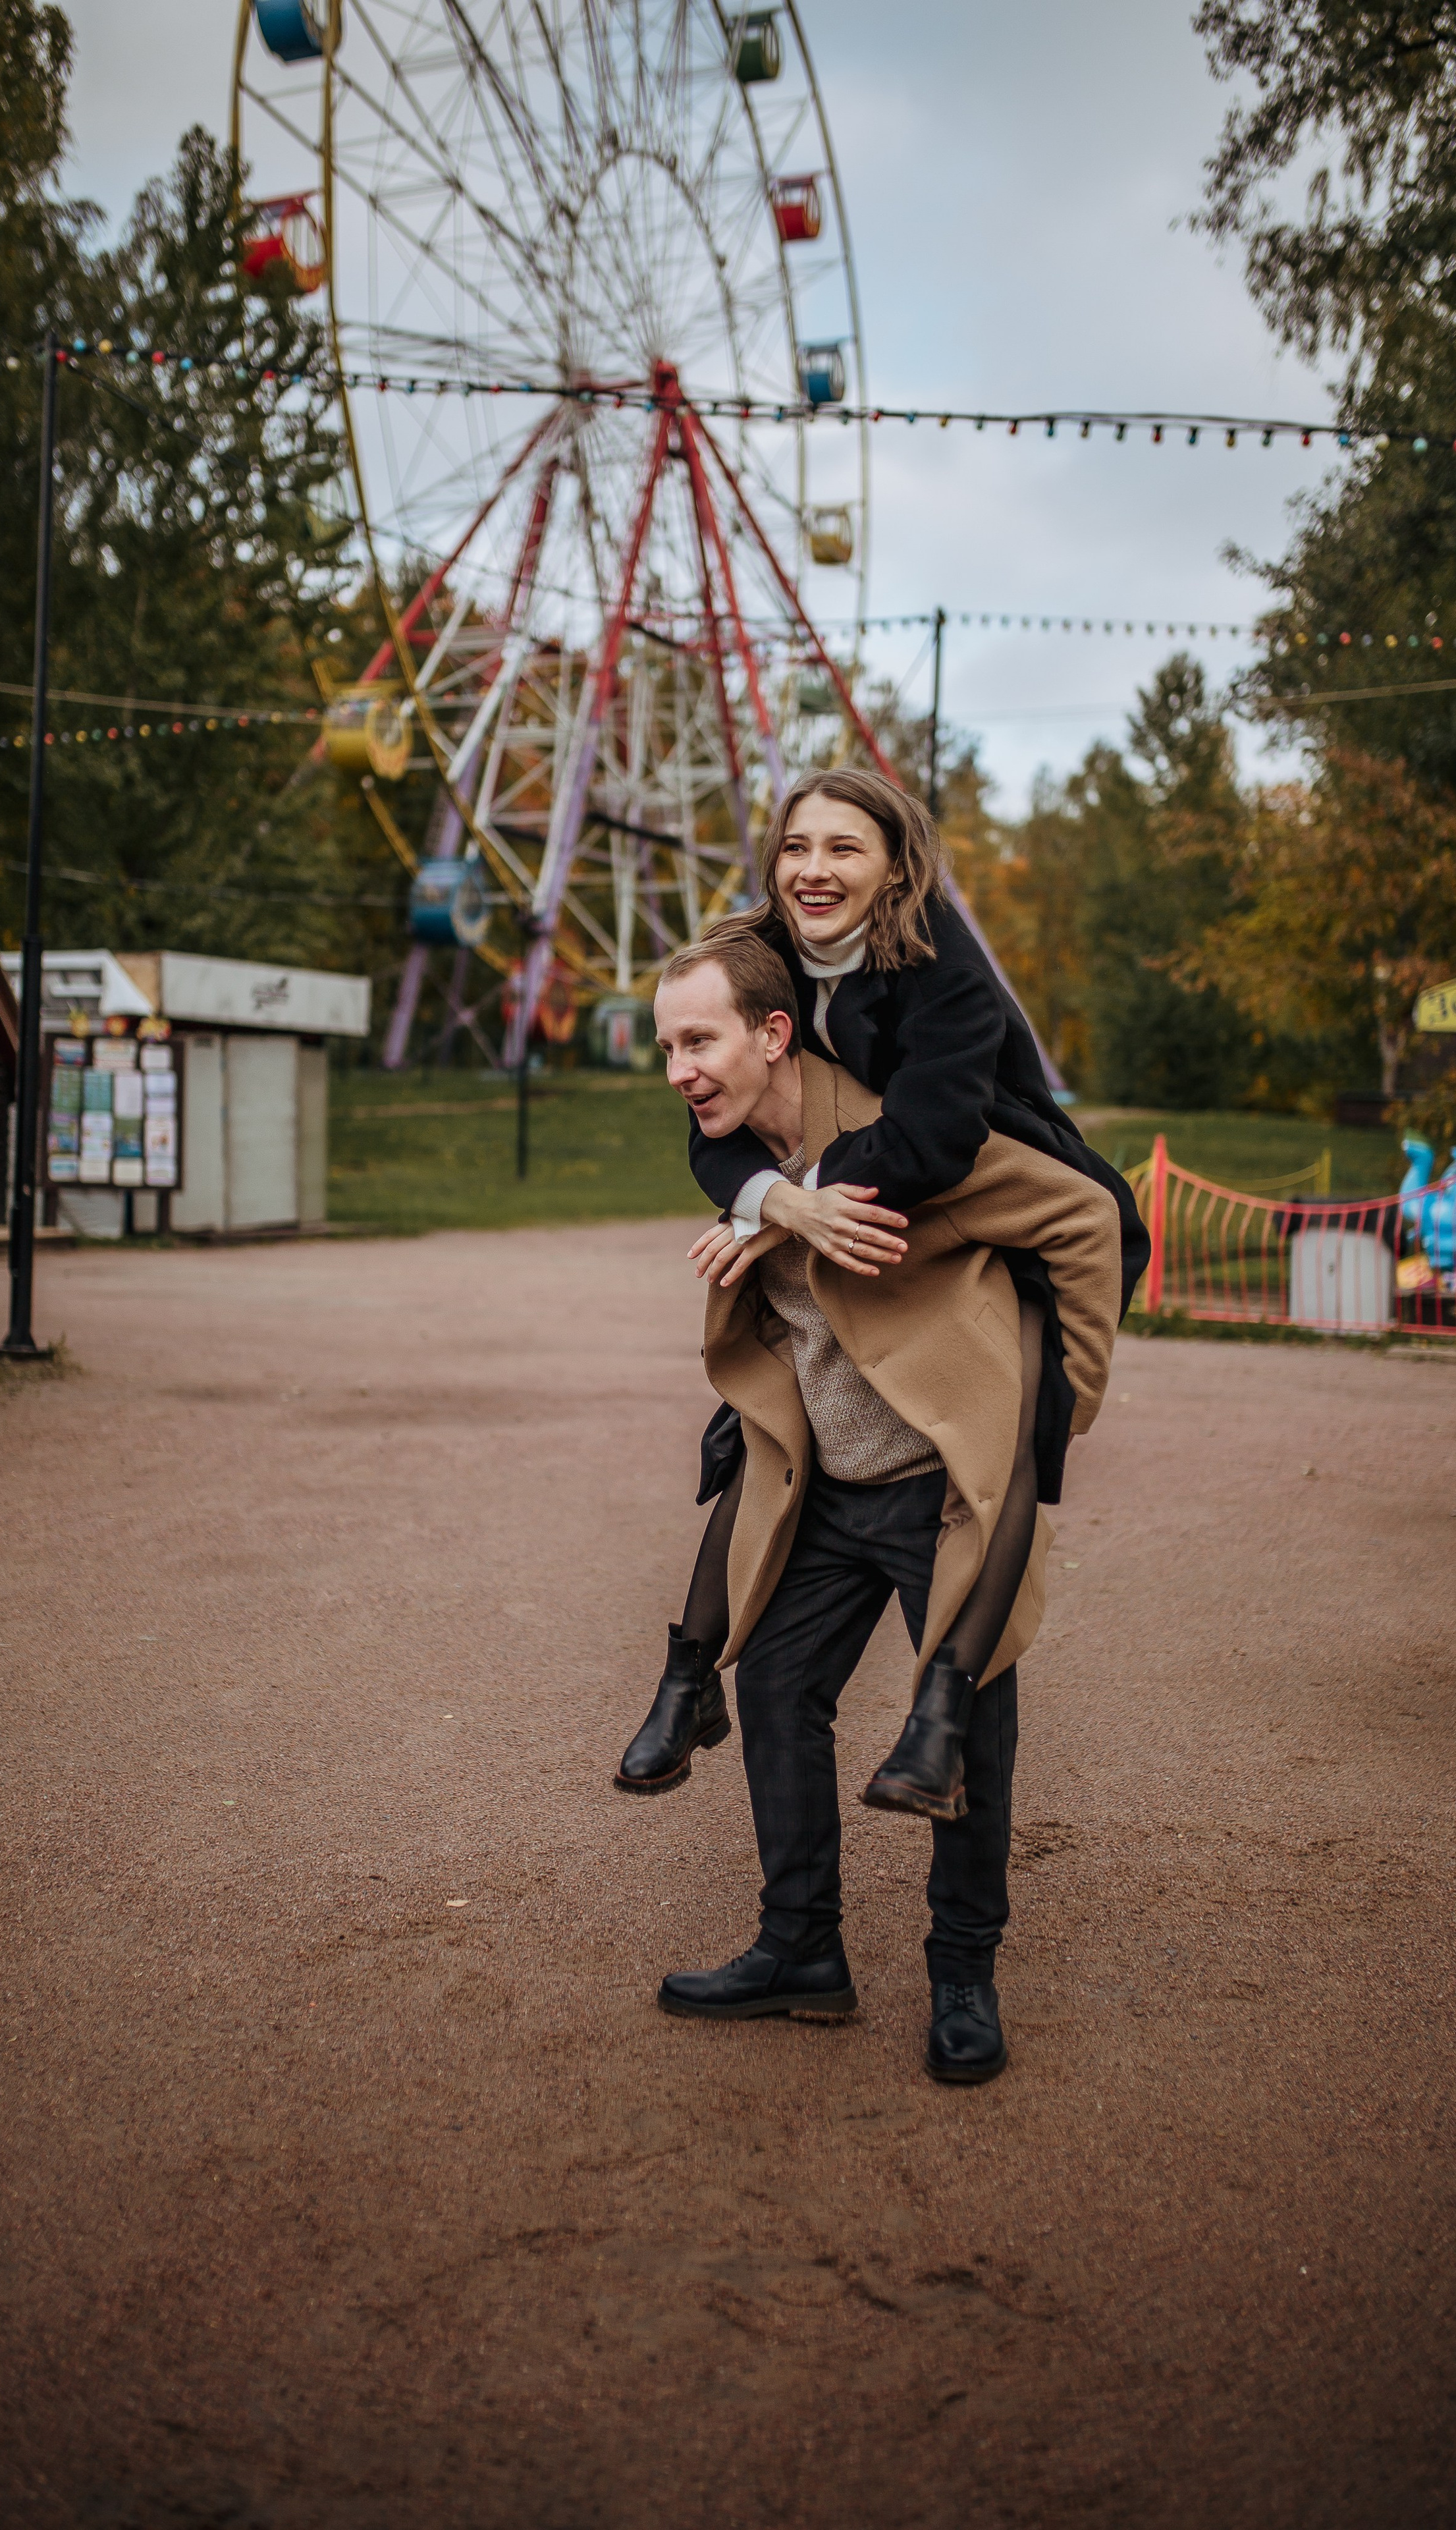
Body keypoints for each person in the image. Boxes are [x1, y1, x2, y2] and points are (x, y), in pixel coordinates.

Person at [643, 929, 1123, 2079]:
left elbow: (1090, 1220)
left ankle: (964, 1972)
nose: (678, 1071)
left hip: (937, 1488)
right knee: (773, 1685)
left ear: (773, 1035)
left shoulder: (908, 1137)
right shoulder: (732, 1144)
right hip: (830, 1485)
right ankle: (801, 1947)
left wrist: (1057, 1410)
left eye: (697, 1041)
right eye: (664, 1046)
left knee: (967, 1731)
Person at [616, 765, 1146, 1800]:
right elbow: (710, 1123)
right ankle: (692, 1676)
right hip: (852, 1171)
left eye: (844, 848)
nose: (814, 869)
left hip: (994, 1182)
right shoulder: (756, 956)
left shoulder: (941, 964)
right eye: (796, 847)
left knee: (1014, 1452)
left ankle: (944, 1714)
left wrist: (802, 1194)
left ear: (895, 865)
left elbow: (938, 1136)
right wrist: (774, 1203)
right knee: (752, 1431)